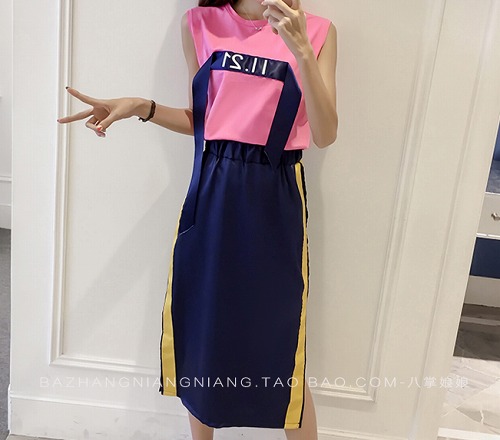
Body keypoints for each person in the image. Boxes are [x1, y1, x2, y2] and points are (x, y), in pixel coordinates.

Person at [57, 0, 338, 438]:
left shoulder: (317, 31)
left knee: (280, 340)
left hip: (275, 191)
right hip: (214, 187)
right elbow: (203, 119)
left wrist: (301, 49)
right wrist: (141, 106)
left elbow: (325, 133)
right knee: (205, 329)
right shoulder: (200, 23)